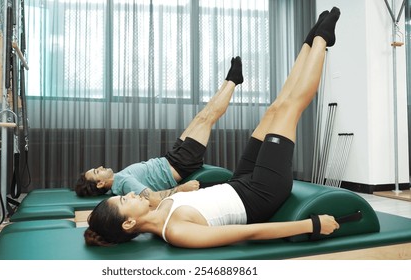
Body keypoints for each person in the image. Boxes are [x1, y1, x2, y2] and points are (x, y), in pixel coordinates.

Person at [84, 7, 342, 248]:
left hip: (238, 183)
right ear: (128, 222)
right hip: (261, 194)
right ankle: (322, 41)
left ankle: (308, 45)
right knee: (290, 109)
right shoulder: (176, 232)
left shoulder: (158, 207)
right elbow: (247, 233)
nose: (128, 195)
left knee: (274, 110)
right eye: (123, 200)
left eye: (122, 196)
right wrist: (312, 224)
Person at [74, 56, 244, 208]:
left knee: (202, 116)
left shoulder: (119, 181)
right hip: (181, 163)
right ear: (100, 184)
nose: (101, 167)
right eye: (97, 171)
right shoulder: (124, 183)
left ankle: (229, 80)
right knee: (208, 119)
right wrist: (181, 189)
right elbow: (153, 199)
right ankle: (233, 82)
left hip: (171, 158)